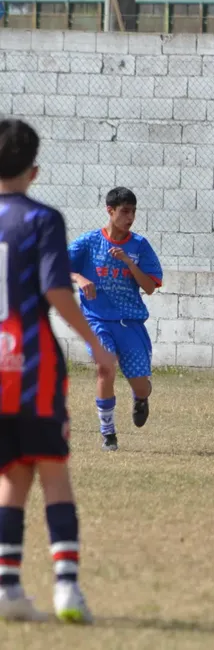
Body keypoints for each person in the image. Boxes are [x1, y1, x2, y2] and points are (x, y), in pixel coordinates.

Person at [0, 118, 117, 624]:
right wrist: (95, 344)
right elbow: (54, 290)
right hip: (30, 365)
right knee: (52, 470)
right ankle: (67, 587)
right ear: (35, 169)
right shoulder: (42, 219)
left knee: (11, 473)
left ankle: (7, 588)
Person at [69, 187, 163, 452]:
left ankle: (141, 397)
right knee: (105, 368)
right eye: (124, 211)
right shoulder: (89, 242)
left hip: (130, 323)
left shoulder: (139, 246)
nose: (130, 217)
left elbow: (150, 286)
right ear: (110, 211)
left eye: (133, 211)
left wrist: (129, 263)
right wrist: (79, 277)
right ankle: (108, 434)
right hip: (97, 320)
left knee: (140, 384)